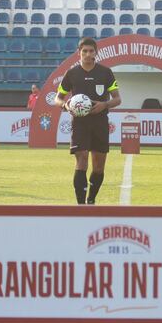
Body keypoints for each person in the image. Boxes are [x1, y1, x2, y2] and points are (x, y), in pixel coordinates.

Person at [55, 38, 122, 205]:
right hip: (79, 123)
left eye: (91, 51)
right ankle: (80, 204)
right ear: (79, 53)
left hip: (99, 123)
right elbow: (58, 98)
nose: (87, 54)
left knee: (98, 166)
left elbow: (117, 99)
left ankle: (91, 199)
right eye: (84, 51)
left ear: (96, 53)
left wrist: (104, 104)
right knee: (82, 158)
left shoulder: (105, 73)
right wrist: (65, 105)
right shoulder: (72, 74)